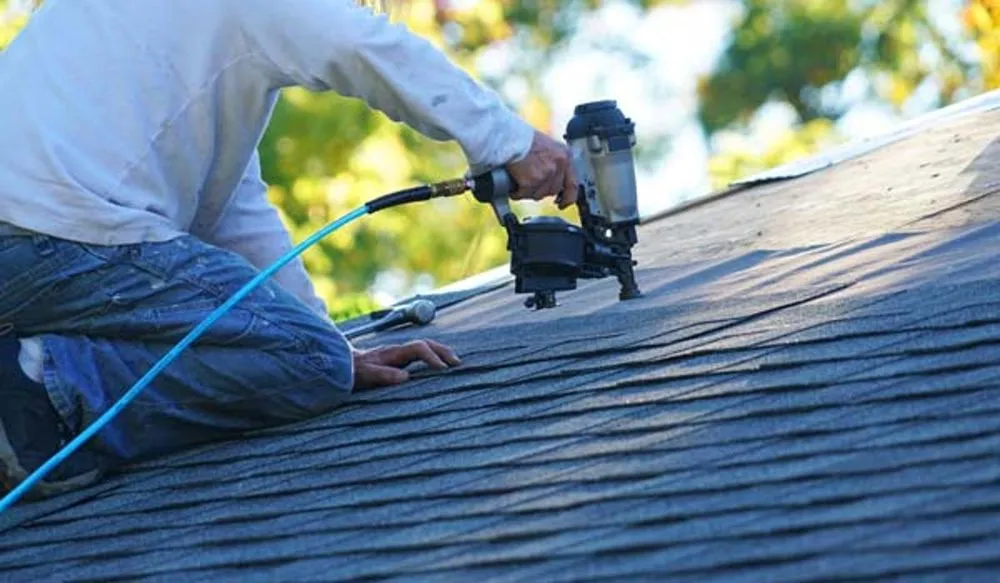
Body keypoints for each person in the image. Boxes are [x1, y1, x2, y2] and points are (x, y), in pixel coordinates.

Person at [0, 0, 577, 500]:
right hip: (52, 229)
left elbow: (231, 211)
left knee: (314, 357)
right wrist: (508, 139)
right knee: (309, 365)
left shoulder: (185, 55)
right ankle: (31, 399)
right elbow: (359, 44)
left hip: (37, 234)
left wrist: (329, 343)